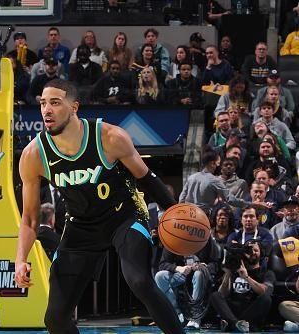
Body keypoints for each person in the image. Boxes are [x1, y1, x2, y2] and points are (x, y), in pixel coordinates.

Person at [14, 79, 184, 334]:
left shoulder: (110, 137)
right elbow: (29, 219)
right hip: (81, 227)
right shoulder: (33, 155)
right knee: (55, 319)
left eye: (55, 103)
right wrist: (20, 259)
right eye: (43, 103)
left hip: (124, 217)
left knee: (139, 281)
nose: (46, 110)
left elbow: (147, 179)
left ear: (74, 107)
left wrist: (176, 215)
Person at [209, 240, 275, 332]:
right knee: (215, 295)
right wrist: (228, 273)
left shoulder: (267, 273)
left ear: (262, 253)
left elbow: (264, 291)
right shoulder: (235, 269)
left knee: (266, 299)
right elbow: (223, 294)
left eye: (255, 250)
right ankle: (236, 323)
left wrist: (246, 277)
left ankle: (231, 324)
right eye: (249, 251)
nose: (252, 253)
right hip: (233, 309)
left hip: (250, 309)